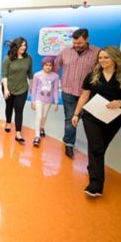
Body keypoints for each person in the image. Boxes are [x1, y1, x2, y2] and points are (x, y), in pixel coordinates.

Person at [71, 46, 121, 197]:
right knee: (96, 147)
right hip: (91, 117)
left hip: (113, 118)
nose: (102, 60)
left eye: (106, 57)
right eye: (100, 58)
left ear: (115, 58)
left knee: (101, 147)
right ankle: (95, 185)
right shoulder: (92, 76)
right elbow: (84, 96)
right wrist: (76, 114)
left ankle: (92, 167)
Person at [53, 28, 100, 158]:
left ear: (87, 39)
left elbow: (100, 73)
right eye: (74, 43)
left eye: (79, 43)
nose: (76, 46)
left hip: (86, 94)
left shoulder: (97, 53)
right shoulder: (66, 52)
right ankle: (69, 143)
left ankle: (94, 146)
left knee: (86, 120)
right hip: (68, 90)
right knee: (70, 119)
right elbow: (56, 67)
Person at [2, 37, 33, 145]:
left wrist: (32, 87)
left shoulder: (28, 58)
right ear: (16, 46)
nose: (24, 47)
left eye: (25, 45)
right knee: (9, 107)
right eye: (22, 45)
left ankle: (18, 134)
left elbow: (30, 73)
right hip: (8, 88)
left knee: (19, 110)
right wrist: (6, 89)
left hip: (22, 88)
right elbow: (4, 76)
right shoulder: (8, 59)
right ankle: (8, 122)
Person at [30, 56, 59, 147]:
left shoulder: (55, 76)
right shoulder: (37, 75)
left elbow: (55, 89)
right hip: (39, 99)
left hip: (48, 100)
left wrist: (57, 102)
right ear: (43, 65)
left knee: (44, 116)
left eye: (50, 65)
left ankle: (42, 127)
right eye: (46, 65)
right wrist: (33, 101)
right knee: (38, 116)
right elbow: (34, 88)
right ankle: (37, 136)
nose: (48, 67)